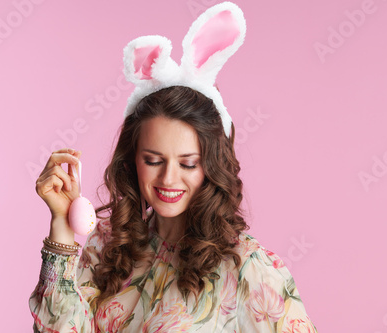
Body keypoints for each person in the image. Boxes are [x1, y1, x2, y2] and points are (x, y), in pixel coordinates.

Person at [29, 2, 318, 332]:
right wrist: (62, 225)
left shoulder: (247, 268)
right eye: (153, 160)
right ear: (132, 160)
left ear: (211, 165)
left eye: (189, 164)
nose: (168, 178)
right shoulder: (109, 245)